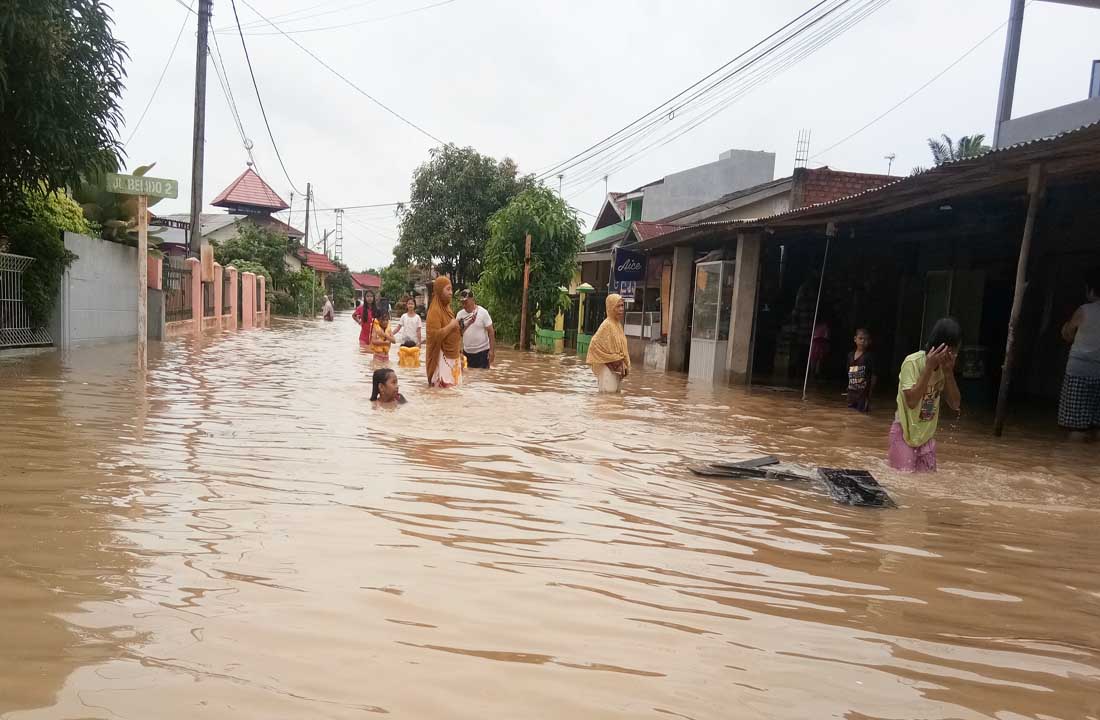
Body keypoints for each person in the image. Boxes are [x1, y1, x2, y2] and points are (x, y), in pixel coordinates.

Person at [888, 318, 962, 472]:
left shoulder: (945, 368)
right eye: (952, 351)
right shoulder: (912, 362)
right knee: (903, 480)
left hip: (926, 436)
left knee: (926, 481)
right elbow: (912, 401)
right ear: (942, 347)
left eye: (956, 352)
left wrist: (948, 373)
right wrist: (929, 368)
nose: (954, 356)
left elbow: (955, 404)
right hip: (904, 431)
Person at [1058, 268, 1100, 440]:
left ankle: (1070, 463)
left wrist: (1065, 327)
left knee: (1077, 426)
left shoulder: (1084, 310)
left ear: (1091, 291)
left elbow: (1068, 334)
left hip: (1079, 370)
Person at [586, 293, 630, 393]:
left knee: (615, 401)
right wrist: (611, 358)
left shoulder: (618, 325)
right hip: (608, 368)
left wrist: (622, 362)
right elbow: (594, 345)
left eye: (622, 306)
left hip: (618, 368)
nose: (621, 309)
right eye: (618, 306)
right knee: (607, 400)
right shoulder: (606, 325)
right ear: (611, 307)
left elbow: (622, 348)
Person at [425, 276, 463, 387]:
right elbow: (435, 336)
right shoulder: (435, 311)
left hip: (453, 358)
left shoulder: (447, 308)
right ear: (439, 290)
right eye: (448, 289)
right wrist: (451, 326)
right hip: (441, 358)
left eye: (451, 289)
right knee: (441, 394)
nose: (451, 293)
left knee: (453, 394)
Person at [456, 289, 495, 369]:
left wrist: (491, 351)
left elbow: (491, 332)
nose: (464, 305)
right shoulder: (460, 315)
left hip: (482, 353)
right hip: (467, 353)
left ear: (472, 300)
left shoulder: (483, 313)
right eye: (462, 303)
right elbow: (457, 334)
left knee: (483, 377)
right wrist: (459, 352)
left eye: (466, 302)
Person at [846, 328, 877, 412]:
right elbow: (849, 373)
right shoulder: (850, 355)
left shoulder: (869, 357)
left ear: (869, 342)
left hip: (863, 394)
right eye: (860, 338)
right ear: (855, 339)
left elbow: (873, 375)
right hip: (851, 393)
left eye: (866, 339)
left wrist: (870, 393)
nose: (863, 341)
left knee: (861, 414)